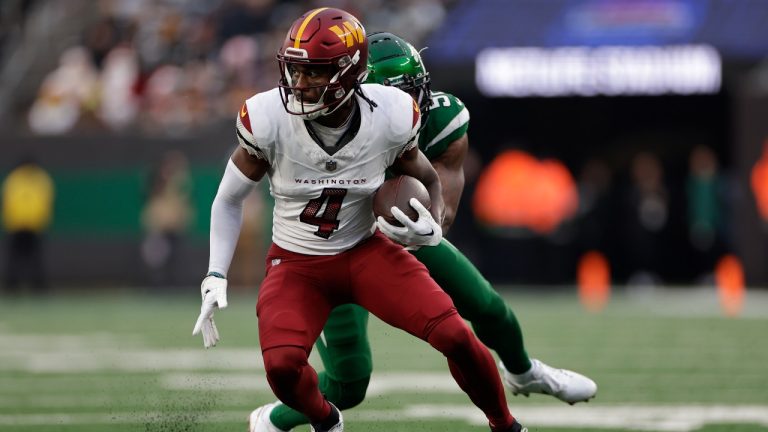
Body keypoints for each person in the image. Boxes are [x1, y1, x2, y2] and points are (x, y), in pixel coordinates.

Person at [192, 8, 526, 432]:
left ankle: (507, 425)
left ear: (349, 73)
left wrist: (433, 222)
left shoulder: (390, 113)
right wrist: (215, 273)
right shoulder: (268, 118)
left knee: (457, 336)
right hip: (297, 264)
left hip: (367, 253)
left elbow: (426, 175)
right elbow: (228, 200)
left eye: (314, 73)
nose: (299, 84)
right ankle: (325, 420)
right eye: (295, 71)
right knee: (281, 368)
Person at [249, 32, 598, 432]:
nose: (409, 108)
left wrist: (424, 223)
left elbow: (442, 213)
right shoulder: (321, 124)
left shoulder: (441, 121)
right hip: (336, 244)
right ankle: (273, 418)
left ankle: (523, 371)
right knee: (349, 381)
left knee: (484, 304)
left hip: (402, 236)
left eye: (415, 93)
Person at [2, 158, 55, 295]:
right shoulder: (15, 179)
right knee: (15, 259)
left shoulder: (40, 179)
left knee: (36, 259)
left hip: (34, 226)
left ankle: (38, 287)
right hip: (17, 225)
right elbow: (8, 202)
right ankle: (12, 287)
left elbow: (45, 202)